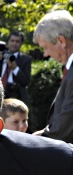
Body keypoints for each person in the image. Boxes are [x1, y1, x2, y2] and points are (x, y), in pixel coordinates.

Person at [33, 10, 73, 143]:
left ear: (61, 41)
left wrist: (27, 141)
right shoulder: (68, 69)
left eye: (45, 47)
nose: (45, 54)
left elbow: (62, 131)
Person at [0, 31, 31, 105]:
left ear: (21, 44)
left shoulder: (26, 59)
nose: (14, 44)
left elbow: (26, 81)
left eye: (17, 41)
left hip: (16, 97)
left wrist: (15, 68)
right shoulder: (0, 56)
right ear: (8, 41)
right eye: (12, 41)